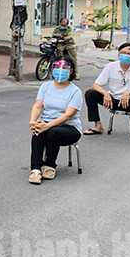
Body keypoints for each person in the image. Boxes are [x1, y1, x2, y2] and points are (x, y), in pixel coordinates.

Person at [83, 42, 130, 145]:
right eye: (123, 52)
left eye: (129, 53)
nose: (125, 55)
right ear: (118, 54)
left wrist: (129, 92)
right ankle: (98, 126)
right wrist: (105, 93)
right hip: (112, 100)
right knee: (90, 93)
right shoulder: (111, 66)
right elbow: (96, 85)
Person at [28, 56, 82, 184]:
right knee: (38, 130)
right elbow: (38, 105)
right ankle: (35, 169)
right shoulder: (46, 86)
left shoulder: (75, 91)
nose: (60, 70)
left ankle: (50, 165)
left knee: (52, 132)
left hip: (69, 128)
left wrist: (48, 126)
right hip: (46, 124)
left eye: (65, 67)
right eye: (57, 67)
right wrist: (33, 121)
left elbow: (68, 116)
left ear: (71, 71)